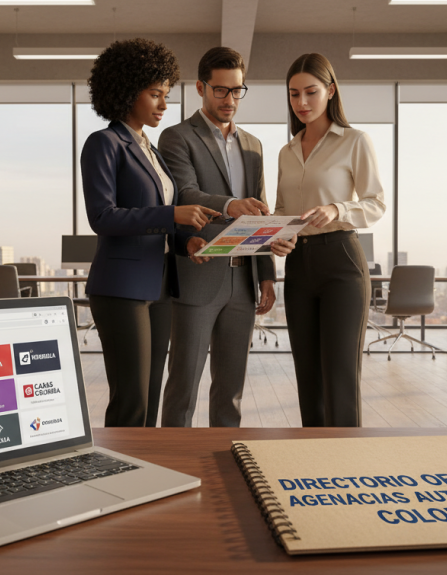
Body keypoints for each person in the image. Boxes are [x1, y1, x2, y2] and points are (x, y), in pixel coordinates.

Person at [81, 38, 220, 427]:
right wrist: (172, 213)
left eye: (166, 94)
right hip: (120, 287)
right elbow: (103, 217)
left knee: (150, 398)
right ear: (127, 91)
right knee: (131, 401)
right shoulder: (104, 144)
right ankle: (118, 482)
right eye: (154, 94)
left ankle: (148, 478)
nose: (163, 104)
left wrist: (185, 240)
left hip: (158, 285)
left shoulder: (151, 150)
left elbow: (159, 223)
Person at [158, 47, 295, 428]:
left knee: (231, 389)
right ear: (201, 87)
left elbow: (262, 211)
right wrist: (231, 205)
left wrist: (266, 273)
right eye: (220, 90)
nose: (230, 100)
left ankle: (227, 461)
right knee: (183, 385)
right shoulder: (177, 137)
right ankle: (174, 463)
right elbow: (185, 194)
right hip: (199, 275)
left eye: (237, 90)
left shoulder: (253, 146)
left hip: (243, 281)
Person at [276, 53, 385, 427]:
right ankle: (314, 457)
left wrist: (338, 209)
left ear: (331, 90)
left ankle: (346, 461)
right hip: (298, 265)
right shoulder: (286, 152)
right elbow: (282, 211)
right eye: (294, 95)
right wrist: (277, 236)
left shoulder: (355, 141)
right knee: (308, 375)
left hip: (341, 262)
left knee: (339, 374)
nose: (302, 103)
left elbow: (376, 203)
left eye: (311, 92)